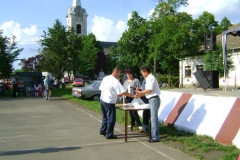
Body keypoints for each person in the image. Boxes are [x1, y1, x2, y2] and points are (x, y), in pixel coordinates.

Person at [99, 67, 135, 139]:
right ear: (116, 73)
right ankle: (109, 134)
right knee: (111, 119)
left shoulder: (105, 78)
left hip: (102, 99)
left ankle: (103, 131)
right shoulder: (115, 81)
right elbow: (122, 92)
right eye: (119, 73)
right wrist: (132, 95)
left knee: (105, 117)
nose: (119, 75)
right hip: (109, 101)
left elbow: (101, 88)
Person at [135, 66, 161, 142]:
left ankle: (155, 137)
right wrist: (140, 93)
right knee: (152, 118)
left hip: (154, 99)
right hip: (151, 99)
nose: (142, 74)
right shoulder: (148, 79)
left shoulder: (151, 78)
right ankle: (153, 135)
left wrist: (140, 92)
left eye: (142, 73)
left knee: (153, 118)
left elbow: (149, 90)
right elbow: (147, 91)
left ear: (145, 71)